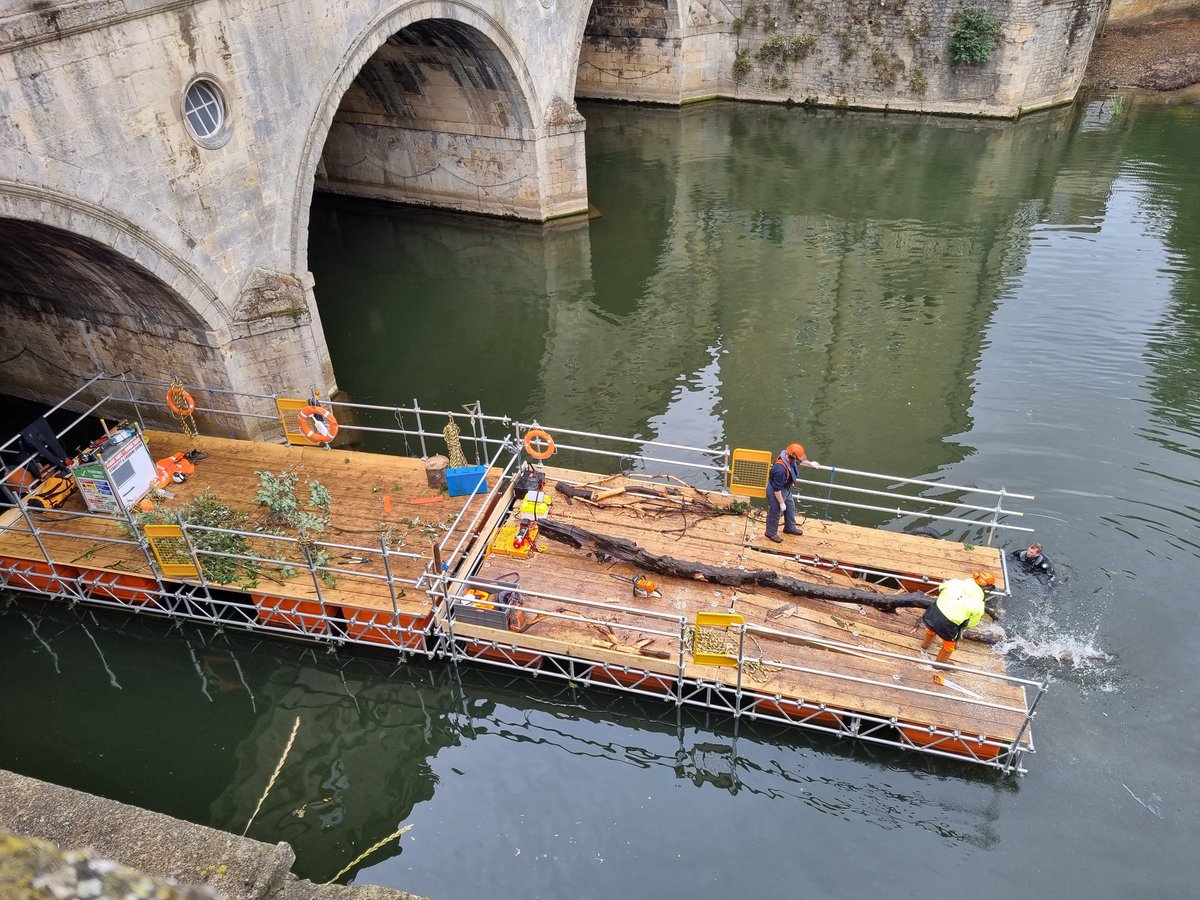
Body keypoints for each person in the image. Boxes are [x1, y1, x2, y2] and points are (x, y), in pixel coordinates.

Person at [919, 571, 993, 664]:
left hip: (934, 610)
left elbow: (941, 587)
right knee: (949, 646)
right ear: (986, 587)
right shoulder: (979, 603)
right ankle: (940, 663)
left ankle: (925, 645)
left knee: (931, 628)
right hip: (949, 623)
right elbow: (972, 622)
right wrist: (964, 625)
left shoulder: (955, 582)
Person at [764, 442, 819, 543]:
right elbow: (776, 490)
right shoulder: (780, 469)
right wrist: (781, 503)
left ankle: (790, 527)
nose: (799, 461)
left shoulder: (789, 457)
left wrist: (811, 463)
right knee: (775, 512)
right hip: (777, 491)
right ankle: (770, 532)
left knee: (790, 507)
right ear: (792, 458)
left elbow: (800, 461)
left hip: (786, 489)